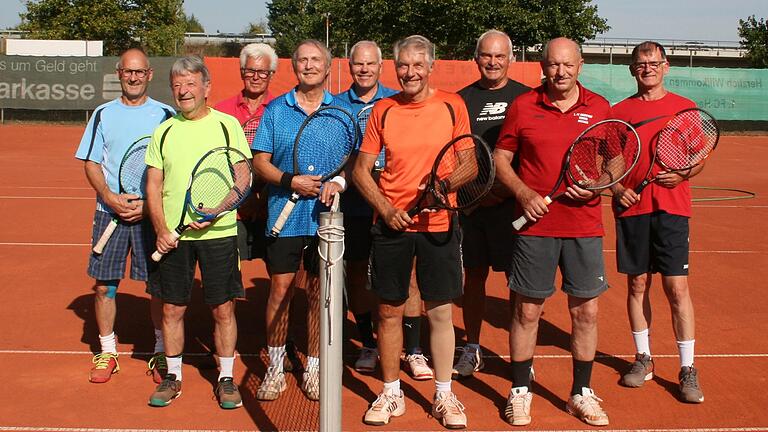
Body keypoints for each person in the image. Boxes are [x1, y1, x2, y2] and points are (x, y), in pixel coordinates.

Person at [494, 37, 612, 427]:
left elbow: (617, 159)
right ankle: (519, 391)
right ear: (542, 66)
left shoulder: (599, 108)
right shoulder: (523, 105)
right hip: (535, 228)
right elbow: (501, 158)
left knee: (586, 313)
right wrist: (524, 192)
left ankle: (580, 393)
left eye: (568, 65)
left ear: (580, 65)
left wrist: (599, 184)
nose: (560, 72)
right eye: (553, 65)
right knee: (527, 310)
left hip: (584, 226)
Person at [353, 35, 469, 429]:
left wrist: (445, 187)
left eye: (418, 65)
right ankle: (390, 393)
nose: (410, 72)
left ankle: (443, 394)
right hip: (392, 227)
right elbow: (360, 170)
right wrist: (386, 209)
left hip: (439, 223)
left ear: (431, 66)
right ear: (395, 67)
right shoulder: (383, 110)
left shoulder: (453, 105)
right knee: (388, 311)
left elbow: (469, 164)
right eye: (403, 65)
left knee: (439, 310)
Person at [145, 55, 251, 409]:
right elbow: (153, 185)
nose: (183, 91)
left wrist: (219, 210)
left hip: (219, 234)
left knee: (223, 309)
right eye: (177, 85)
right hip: (174, 239)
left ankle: (225, 379)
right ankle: (172, 377)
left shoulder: (227, 126)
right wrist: (161, 229)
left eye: (190, 83)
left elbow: (243, 178)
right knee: (172, 309)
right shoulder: (164, 130)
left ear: (207, 87)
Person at [251, 39, 351, 402]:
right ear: (294, 67)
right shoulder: (277, 109)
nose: (309, 66)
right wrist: (289, 181)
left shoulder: (342, 111)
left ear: (327, 68)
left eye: (316, 61)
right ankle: (275, 369)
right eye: (302, 61)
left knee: (316, 294)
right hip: (284, 217)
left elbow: (356, 160)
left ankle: (312, 367)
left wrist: (338, 182)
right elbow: (259, 161)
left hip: (326, 221)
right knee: (280, 290)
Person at [611, 41, 705, 404]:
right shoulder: (620, 112)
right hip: (632, 209)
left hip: (672, 209)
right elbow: (612, 163)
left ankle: (687, 368)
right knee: (637, 285)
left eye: (654, 62)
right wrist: (618, 188)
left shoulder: (685, 108)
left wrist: (683, 174)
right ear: (632, 70)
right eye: (641, 63)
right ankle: (643, 359)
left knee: (676, 289)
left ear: (666, 67)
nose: (647, 68)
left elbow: (699, 157)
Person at [75, 47, 174, 384]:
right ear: (119, 73)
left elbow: (172, 168)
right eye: (127, 71)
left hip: (151, 215)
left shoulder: (165, 115)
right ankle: (107, 351)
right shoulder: (102, 113)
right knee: (104, 287)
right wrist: (110, 198)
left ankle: (161, 349)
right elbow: (91, 163)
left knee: (158, 287)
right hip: (109, 213)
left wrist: (149, 205)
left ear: (149, 75)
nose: (133, 77)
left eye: (139, 71)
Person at [334, 40, 431, 380]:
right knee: (358, 275)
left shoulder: (397, 100)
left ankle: (414, 349)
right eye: (358, 64)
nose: (364, 70)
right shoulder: (334, 105)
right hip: (355, 209)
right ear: (349, 66)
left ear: (380, 67)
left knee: (410, 279)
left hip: (398, 208)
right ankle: (368, 343)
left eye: (370, 64)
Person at [453, 29, 529, 379]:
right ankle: (472, 347)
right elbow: (454, 156)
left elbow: (532, 157)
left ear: (511, 59)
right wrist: (469, 198)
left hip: (512, 209)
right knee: (474, 278)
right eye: (487, 55)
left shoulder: (527, 99)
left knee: (519, 284)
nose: (493, 62)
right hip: (472, 210)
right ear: (476, 58)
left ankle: (520, 357)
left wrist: (506, 191)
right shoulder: (459, 101)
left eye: (500, 56)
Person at [214, 43, 277, 262]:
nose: (256, 77)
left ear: (272, 74)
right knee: (227, 278)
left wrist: (261, 199)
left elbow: (284, 161)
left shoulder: (281, 109)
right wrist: (242, 198)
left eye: (263, 72)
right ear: (242, 72)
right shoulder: (221, 111)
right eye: (250, 70)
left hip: (272, 205)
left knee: (282, 280)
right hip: (232, 209)